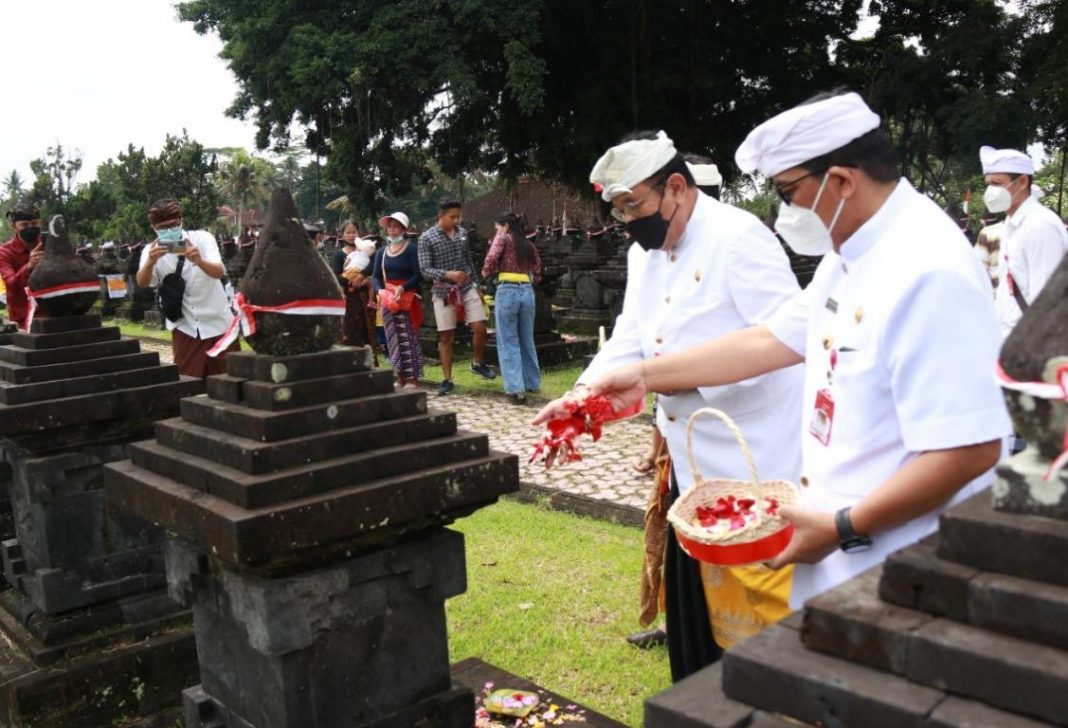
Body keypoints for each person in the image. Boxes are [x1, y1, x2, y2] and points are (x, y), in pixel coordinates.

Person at [546, 92, 1010, 616]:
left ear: (841, 181)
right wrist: (641, 376)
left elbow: (970, 449)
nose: (784, 211)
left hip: (902, 559)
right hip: (842, 543)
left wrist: (844, 526)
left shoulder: (928, 267)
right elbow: (769, 341)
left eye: (789, 193)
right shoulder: (849, 255)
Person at [537, 130, 805, 681]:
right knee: (697, 630)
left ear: (676, 187)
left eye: (634, 205)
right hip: (691, 468)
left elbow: (785, 340)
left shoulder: (738, 236)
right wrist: (581, 397)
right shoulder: (645, 254)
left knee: (763, 630)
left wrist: (658, 376)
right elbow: (631, 335)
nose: (628, 221)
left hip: (757, 463)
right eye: (618, 210)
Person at [136, 198, 237, 378]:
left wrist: (199, 261)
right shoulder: (151, 250)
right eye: (163, 227)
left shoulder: (202, 239)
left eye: (173, 225)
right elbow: (142, 282)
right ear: (154, 228)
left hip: (219, 324)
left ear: (181, 221)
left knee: (229, 381)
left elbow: (219, 272)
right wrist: (150, 262)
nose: (169, 230)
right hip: (186, 328)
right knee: (188, 384)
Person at [980, 145, 1068, 337]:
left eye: (997, 183)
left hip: (1031, 342)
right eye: (988, 184)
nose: (990, 191)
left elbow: (1046, 303)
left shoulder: (1039, 225)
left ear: (1021, 182)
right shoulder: (1013, 224)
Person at [418, 198, 496, 395]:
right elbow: (425, 270)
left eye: (458, 217)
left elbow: (468, 261)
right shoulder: (427, 238)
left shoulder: (462, 233)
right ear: (441, 216)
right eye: (452, 217)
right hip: (443, 290)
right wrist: (447, 274)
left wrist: (477, 285)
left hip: (466, 286)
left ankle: (477, 362)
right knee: (447, 336)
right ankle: (447, 379)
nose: (456, 221)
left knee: (480, 326)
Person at [481, 212, 541, 402]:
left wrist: (485, 273)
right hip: (527, 291)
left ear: (506, 226)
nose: (497, 232)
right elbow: (537, 272)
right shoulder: (528, 245)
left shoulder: (503, 239)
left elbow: (491, 258)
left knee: (508, 340)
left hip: (507, 290)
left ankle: (515, 388)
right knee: (526, 338)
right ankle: (532, 383)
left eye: (498, 228)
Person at [372, 212, 423, 389]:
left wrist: (403, 287)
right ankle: (399, 375)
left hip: (406, 299)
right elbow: (375, 276)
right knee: (392, 339)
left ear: (403, 229)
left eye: (396, 227)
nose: (392, 230)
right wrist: (380, 291)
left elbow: (418, 274)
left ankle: (412, 378)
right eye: (390, 227)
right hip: (388, 300)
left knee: (408, 337)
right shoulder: (382, 252)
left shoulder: (412, 249)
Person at [0, 199, 44, 330]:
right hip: (23, 318)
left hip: (52, 313)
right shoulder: (4, 252)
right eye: (24, 225)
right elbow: (11, 283)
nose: (30, 227)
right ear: (14, 227)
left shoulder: (48, 244)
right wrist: (29, 266)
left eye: (34, 223)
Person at [331, 220, 375, 348]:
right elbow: (336, 276)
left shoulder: (367, 251)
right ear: (342, 235)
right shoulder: (338, 256)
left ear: (358, 233)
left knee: (368, 328)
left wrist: (361, 277)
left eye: (354, 232)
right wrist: (351, 281)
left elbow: (373, 266)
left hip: (365, 296)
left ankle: (370, 356)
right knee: (351, 329)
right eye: (348, 232)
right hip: (349, 298)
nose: (351, 235)